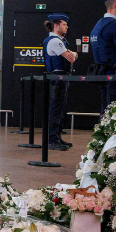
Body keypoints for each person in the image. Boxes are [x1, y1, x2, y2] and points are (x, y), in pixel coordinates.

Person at [44, 13, 78, 151]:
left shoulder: (59, 40)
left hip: (61, 77)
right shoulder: (55, 41)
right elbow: (71, 58)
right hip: (57, 78)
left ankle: (57, 138)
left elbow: (72, 55)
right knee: (56, 109)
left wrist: (72, 53)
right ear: (56, 25)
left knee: (60, 108)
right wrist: (73, 54)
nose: (67, 27)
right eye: (64, 24)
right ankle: (52, 140)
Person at [91, 0, 116, 113]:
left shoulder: (97, 26)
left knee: (105, 110)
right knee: (113, 113)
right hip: (114, 75)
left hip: (102, 74)